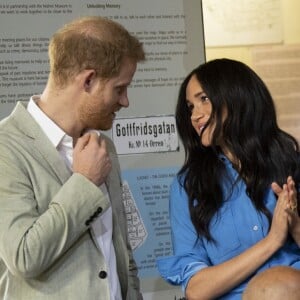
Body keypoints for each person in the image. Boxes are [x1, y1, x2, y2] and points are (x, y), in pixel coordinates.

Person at [0, 16, 145, 299]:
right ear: (88, 80)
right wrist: (84, 183)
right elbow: (23, 256)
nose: (125, 101)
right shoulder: (6, 147)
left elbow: (122, 255)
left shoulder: (104, 147)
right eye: (119, 88)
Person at [157, 58, 300, 299]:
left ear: (235, 97)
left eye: (203, 99)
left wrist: (293, 223)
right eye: (190, 106)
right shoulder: (188, 187)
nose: (195, 115)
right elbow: (197, 289)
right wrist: (273, 240)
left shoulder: (291, 165)